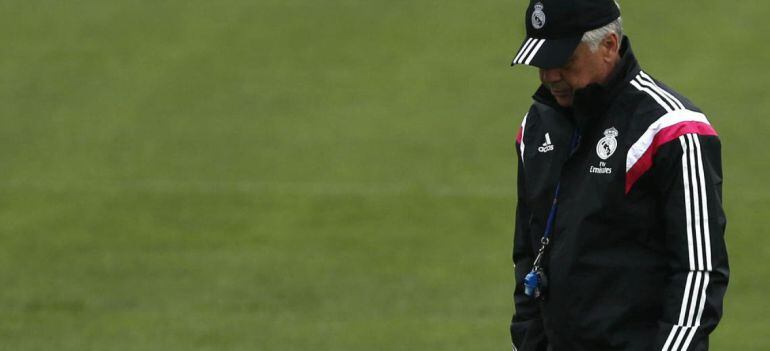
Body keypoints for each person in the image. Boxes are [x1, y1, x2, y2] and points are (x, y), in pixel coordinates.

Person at [508, 1, 729, 350]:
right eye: (541, 62)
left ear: (609, 45)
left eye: (564, 61)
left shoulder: (672, 130)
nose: (550, 76)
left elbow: (699, 270)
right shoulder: (536, 129)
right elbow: (527, 255)